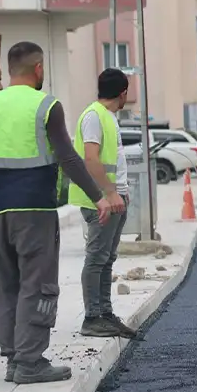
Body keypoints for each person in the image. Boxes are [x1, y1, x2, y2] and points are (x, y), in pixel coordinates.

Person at [0, 42, 117, 385]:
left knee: (4, 285)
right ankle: (30, 362)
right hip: (34, 212)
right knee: (37, 284)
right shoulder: (46, 105)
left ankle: (14, 358)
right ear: (38, 69)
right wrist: (99, 196)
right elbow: (68, 157)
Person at [69, 68, 136, 339]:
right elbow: (91, 159)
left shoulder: (107, 117)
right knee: (97, 258)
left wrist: (121, 191)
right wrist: (109, 193)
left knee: (107, 258)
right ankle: (92, 318)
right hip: (100, 201)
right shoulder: (94, 116)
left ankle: (105, 314)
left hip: (114, 198)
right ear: (123, 93)